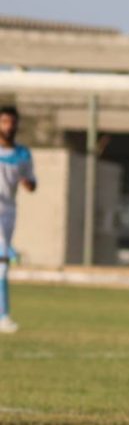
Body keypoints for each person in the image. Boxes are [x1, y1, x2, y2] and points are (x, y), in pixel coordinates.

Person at [0, 106, 36, 334]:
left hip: (7, 213)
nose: (8, 126)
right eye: (4, 121)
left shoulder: (23, 154)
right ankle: (3, 317)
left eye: (11, 122)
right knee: (2, 265)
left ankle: (3, 316)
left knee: (2, 266)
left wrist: (27, 182)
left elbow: (32, 184)